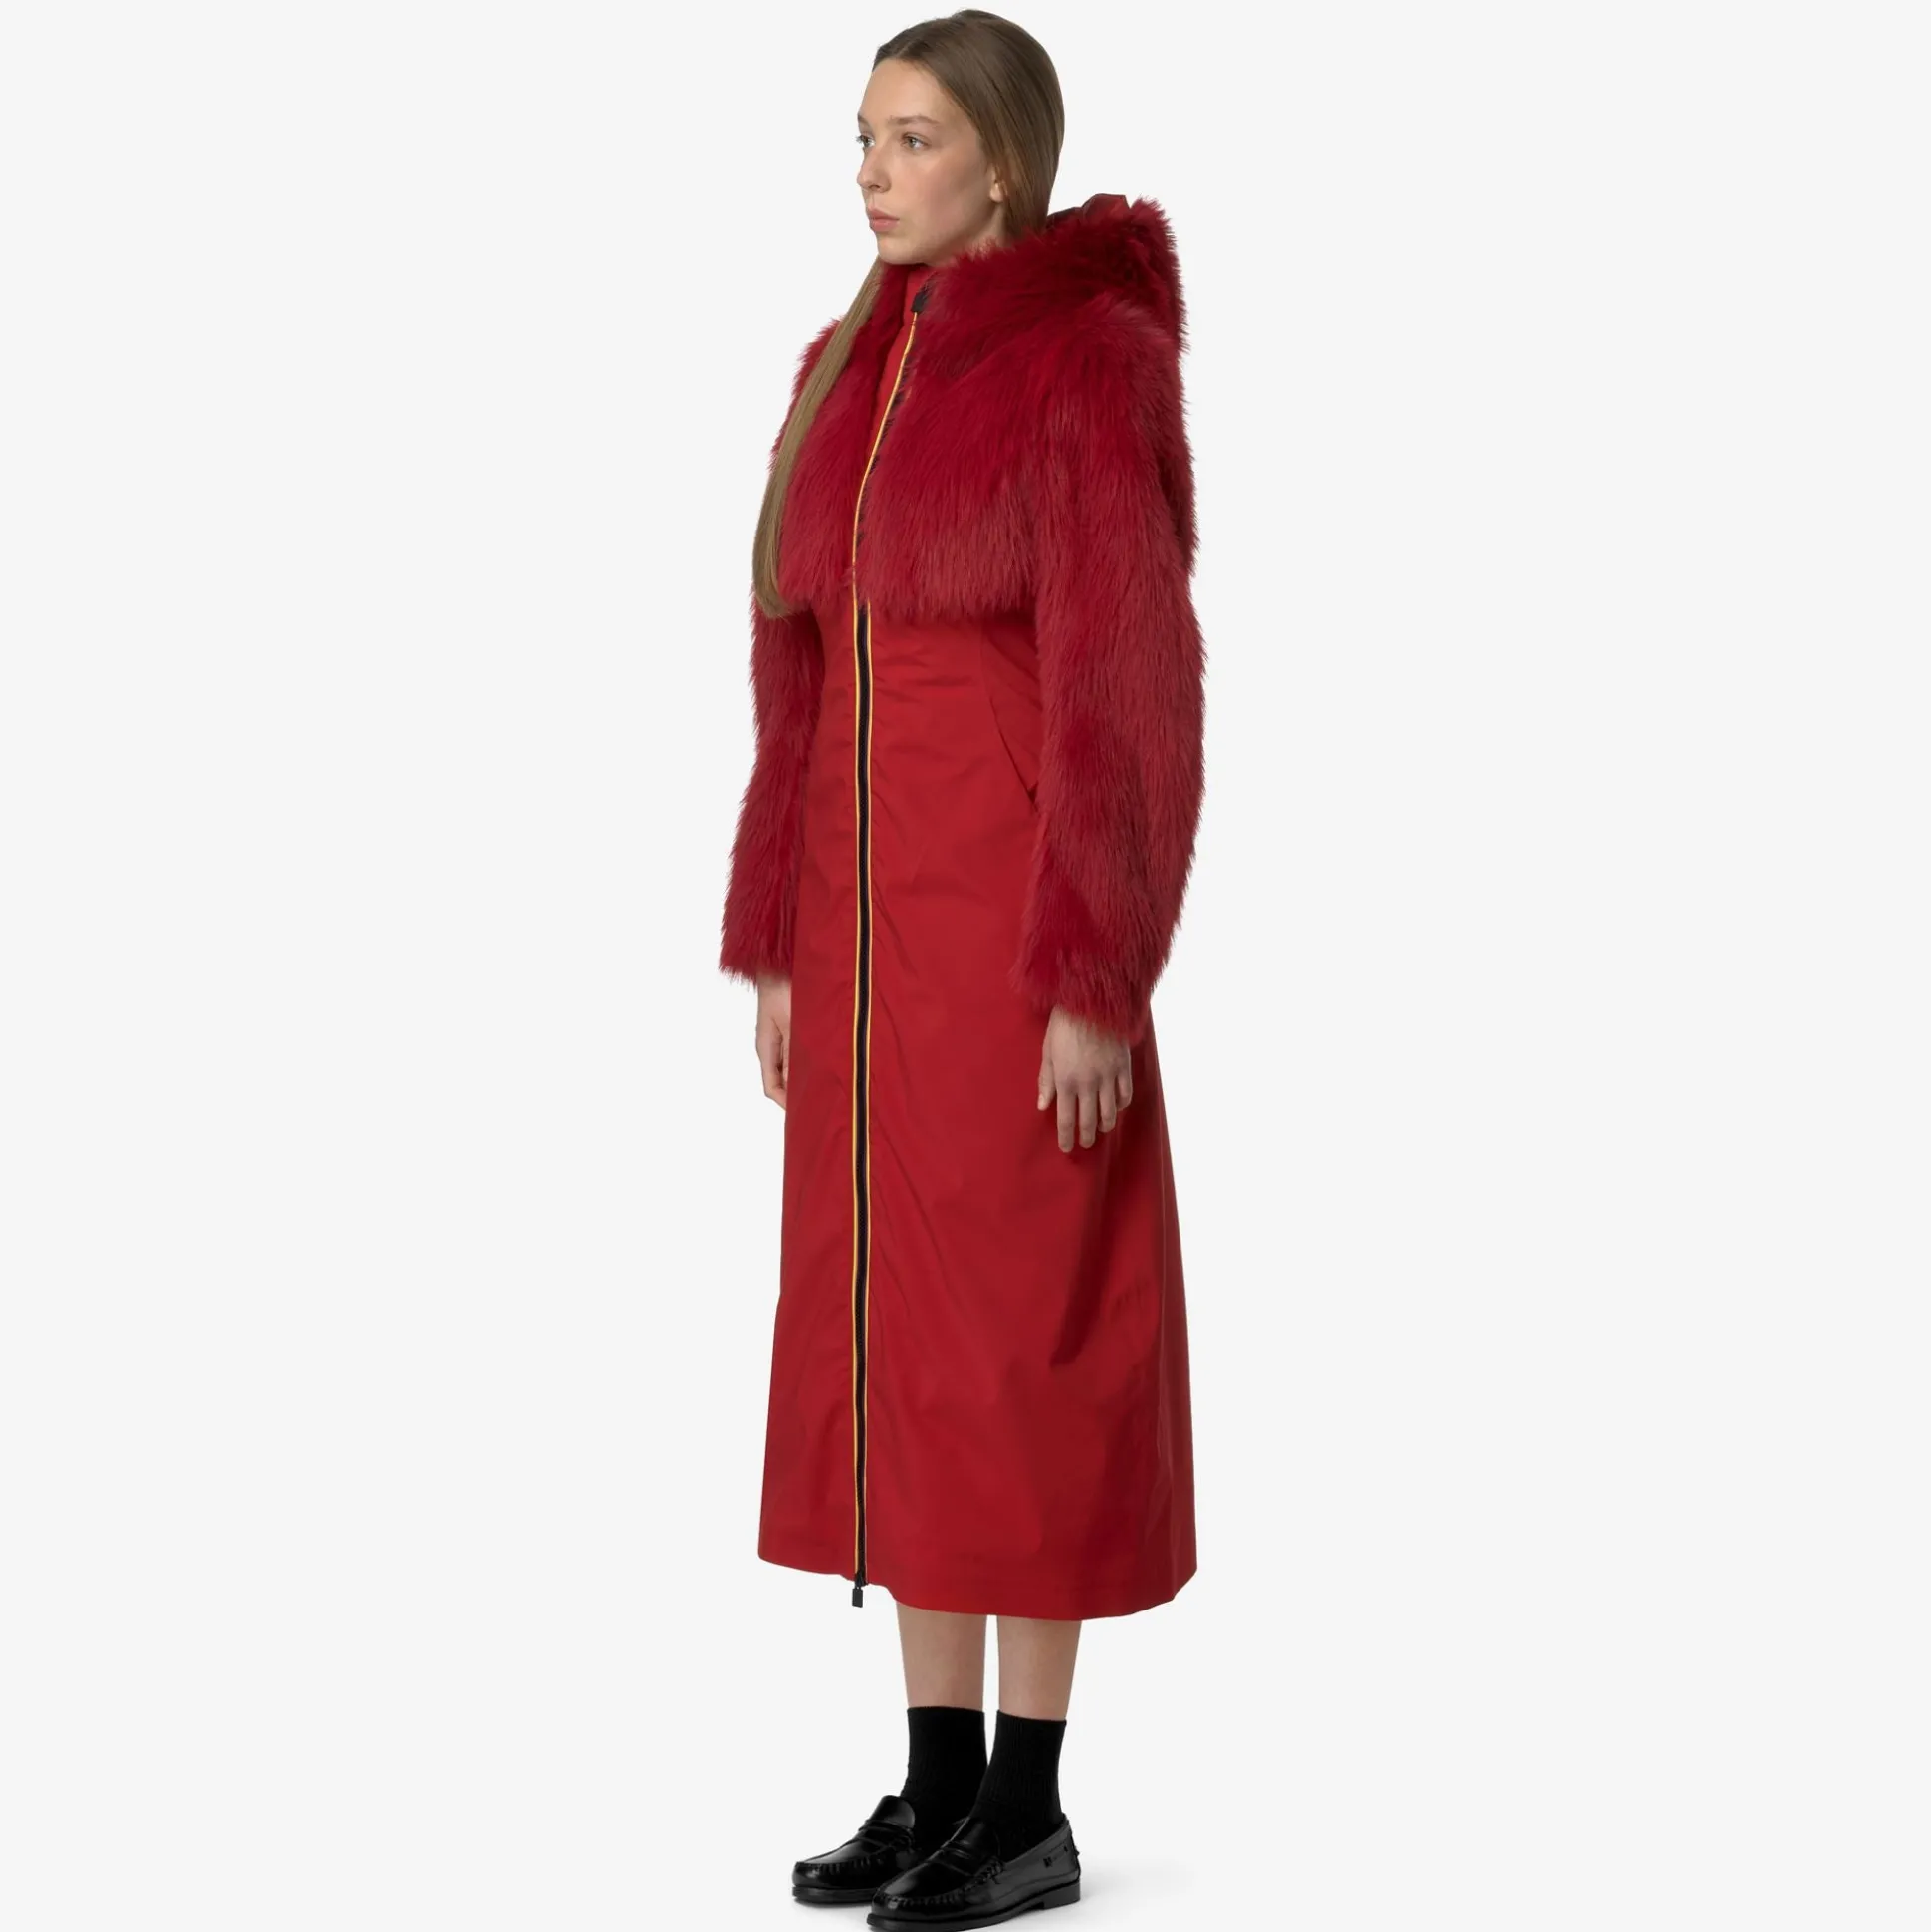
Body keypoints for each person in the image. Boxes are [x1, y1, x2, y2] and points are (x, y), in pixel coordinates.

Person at [718, 13, 1206, 1925]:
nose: (871, 171)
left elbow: (1129, 684)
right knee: (900, 1351)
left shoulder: (1083, 365)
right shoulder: (847, 365)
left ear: (1001, 159)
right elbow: (794, 679)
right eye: (861, 137)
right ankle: (932, 1786)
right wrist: (779, 931)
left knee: (1023, 1358)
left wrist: (1097, 967)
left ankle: (1030, 1807)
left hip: (1012, 941)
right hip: (863, 951)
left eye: (911, 139)